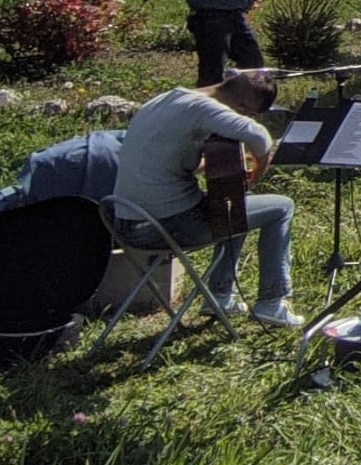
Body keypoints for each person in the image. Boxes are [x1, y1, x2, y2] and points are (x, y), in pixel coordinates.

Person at [110, 69, 301, 327]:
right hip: (167, 226)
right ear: (243, 106)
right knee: (282, 207)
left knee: (234, 201)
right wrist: (259, 170)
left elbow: (174, 162)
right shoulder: (205, 109)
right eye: (246, 113)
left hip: (125, 221)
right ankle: (273, 301)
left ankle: (220, 295)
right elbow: (260, 138)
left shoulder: (167, 99)